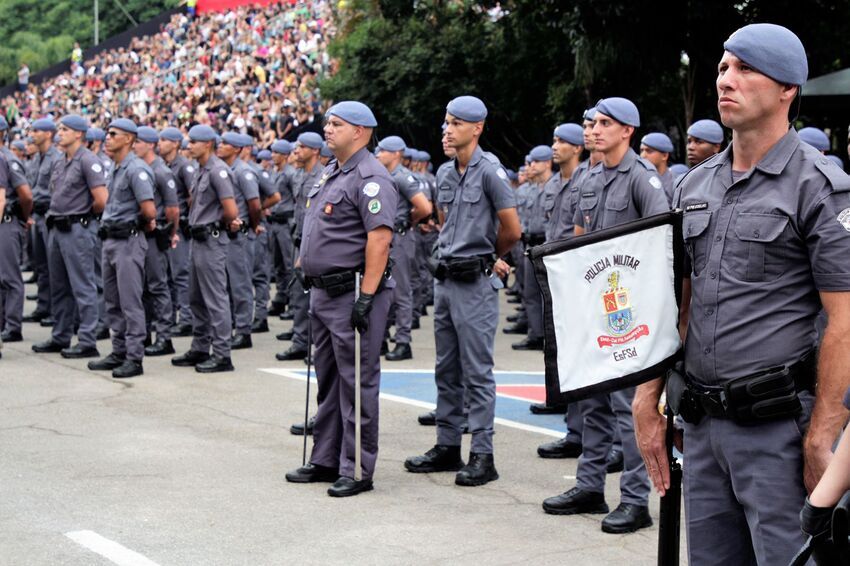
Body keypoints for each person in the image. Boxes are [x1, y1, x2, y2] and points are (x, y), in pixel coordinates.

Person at [634, 24, 850, 564]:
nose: (726, 79)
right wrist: (647, 400)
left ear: (787, 89)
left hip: (777, 431)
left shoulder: (817, 188)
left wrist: (822, 438)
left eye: (745, 69)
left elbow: (845, 322)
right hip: (702, 430)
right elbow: (673, 305)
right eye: (724, 68)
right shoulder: (692, 186)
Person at [543, 97, 668, 534]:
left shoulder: (642, 179)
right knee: (591, 403)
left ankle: (635, 500)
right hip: (593, 307)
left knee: (627, 407)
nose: (593, 130)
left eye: (604, 124)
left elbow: (659, 247)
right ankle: (589, 486)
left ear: (627, 131)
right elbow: (578, 240)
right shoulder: (590, 176)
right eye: (592, 123)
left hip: (626, 313)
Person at [404, 95, 521, 487]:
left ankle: (483, 454)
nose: (447, 130)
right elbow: (444, 220)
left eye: (455, 123)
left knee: (477, 372)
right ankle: (447, 445)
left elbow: (512, 228)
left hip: (475, 282)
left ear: (477, 128)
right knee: (446, 368)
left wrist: (491, 256)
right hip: (447, 280)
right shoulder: (445, 172)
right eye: (446, 122)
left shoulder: (490, 171)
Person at [284, 101, 398, 497]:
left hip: (351, 292)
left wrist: (366, 297)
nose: (327, 129)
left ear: (361, 132)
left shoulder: (371, 177)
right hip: (322, 291)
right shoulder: (331, 172)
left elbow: (379, 239)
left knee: (356, 382)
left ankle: (357, 468)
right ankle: (326, 458)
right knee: (329, 380)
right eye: (328, 123)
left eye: (337, 124)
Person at [33, 115, 107, 358]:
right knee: (59, 287)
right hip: (57, 227)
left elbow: (101, 200)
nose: (59, 132)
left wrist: (83, 219)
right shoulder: (61, 161)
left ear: (78, 134)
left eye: (64, 129)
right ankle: (61, 335)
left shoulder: (88, 160)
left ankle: (87, 340)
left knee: (83, 285)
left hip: (77, 228)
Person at [87, 119, 156, 378]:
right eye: (107, 133)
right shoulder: (115, 168)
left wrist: (130, 227)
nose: (108, 138)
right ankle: (118, 351)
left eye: (113, 134)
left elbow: (149, 210)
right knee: (113, 301)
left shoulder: (136, 169)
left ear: (128, 139)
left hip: (128, 240)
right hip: (111, 241)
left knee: (130, 301)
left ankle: (134, 357)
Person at [171, 125, 239, 373]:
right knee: (196, 298)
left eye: (194, 142)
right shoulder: (201, 170)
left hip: (211, 239)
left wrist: (216, 225)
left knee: (215, 299)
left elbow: (231, 211)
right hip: (198, 240)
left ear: (208, 144)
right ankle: (200, 346)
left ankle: (222, 354)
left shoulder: (218, 171)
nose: (190, 146)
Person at [375, 135, 432, 361]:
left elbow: (424, 207)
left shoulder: (403, 177)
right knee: (381, 291)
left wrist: (409, 221)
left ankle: (402, 341)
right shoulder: (384, 175)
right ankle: (380, 339)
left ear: (396, 153)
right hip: (385, 238)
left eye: (383, 151)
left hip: (399, 237)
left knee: (401, 291)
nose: (378, 154)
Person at [277, 132, 324, 363]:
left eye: (302, 147)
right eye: (296, 147)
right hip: (297, 238)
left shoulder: (323, 176)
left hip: (314, 244)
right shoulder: (298, 175)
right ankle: (300, 341)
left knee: (317, 296)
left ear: (315, 150)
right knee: (298, 293)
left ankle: (318, 345)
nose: (296, 151)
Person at [133, 127, 179, 357]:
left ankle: (164, 337)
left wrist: (170, 234)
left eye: (138, 142)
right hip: (140, 234)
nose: (134, 146)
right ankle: (146, 333)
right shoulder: (140, 168)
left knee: (158, 286)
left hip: (155, 233)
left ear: (150, 145)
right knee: (142, 288)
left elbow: (172, 208)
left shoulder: (160, 171)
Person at [216, 132, 261, 351]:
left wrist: (249, 225)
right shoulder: (225, 170)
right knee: (227, 283)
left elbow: (255, 204)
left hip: (240, 236)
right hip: (227, 235)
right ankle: (234, 325)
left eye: (225, 144)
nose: (220, 146)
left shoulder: (243, 172)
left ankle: (244, 331)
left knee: (240, 284)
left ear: (237, 149)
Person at [513, 144, 553, 351]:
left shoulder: (555, 186)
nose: (531, 166)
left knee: (549, 296)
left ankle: (551, 338)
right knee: (530, 294)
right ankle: (535, 334)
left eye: (536, 162)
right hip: (531, 246)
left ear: (547, 163)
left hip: (547, 247)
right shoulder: (532, 188)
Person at [158, 127, 196, 337]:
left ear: (175, 143)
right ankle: (170, 316)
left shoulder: (184, 166)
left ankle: (187, 318)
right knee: (168, 274)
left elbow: (193, 196)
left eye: (164, 139)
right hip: (167, 225)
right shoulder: (165, 165)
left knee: (181, 273)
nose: (159, 143)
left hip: (180, 226)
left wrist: (188, 220)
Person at [239, 140, 280, 334]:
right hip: (242, 230)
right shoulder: (234, 170)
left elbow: (275, 196)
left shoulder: (255, 171)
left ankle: (260, 316)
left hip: (256, 228)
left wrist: (259, 210)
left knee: (258, 275)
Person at [0, 121, 33, 343]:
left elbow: (26, 195)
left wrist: (22, 217)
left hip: (7, 221)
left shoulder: (8, 158)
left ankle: (13, 326)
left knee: (10, 277)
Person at [268, 139, 297, 319]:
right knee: (278, 264)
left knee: (289, 264)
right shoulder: (274, 172)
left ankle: (293, 303)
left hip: (286, 223)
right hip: (274, 222)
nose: (273, 155)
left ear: (285, 155)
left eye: (276, 152)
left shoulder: (290, 174)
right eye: (272, 152)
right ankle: (280, 298)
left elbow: (297, 199)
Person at [639, 132, 675, 206]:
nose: (643, 155)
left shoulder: (675, 183)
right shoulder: (637, 180)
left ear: (664, 156)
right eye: (641, 150)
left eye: (649, 151)